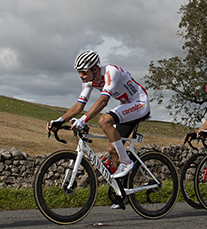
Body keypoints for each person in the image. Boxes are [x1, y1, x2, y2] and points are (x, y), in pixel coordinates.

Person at [46, 51, 150, 180]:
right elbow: (79, 106)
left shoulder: (110, 72)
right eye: (79, 72)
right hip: (127, 106)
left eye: (83, 72)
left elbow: (103, 100)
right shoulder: (88, 82)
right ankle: (121, 192)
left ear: (95, 69)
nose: (81, 76)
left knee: (104, 120)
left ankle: (127, 162)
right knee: (112, 149)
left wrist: (84, 119)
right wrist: (59, 121)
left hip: (139, 103)